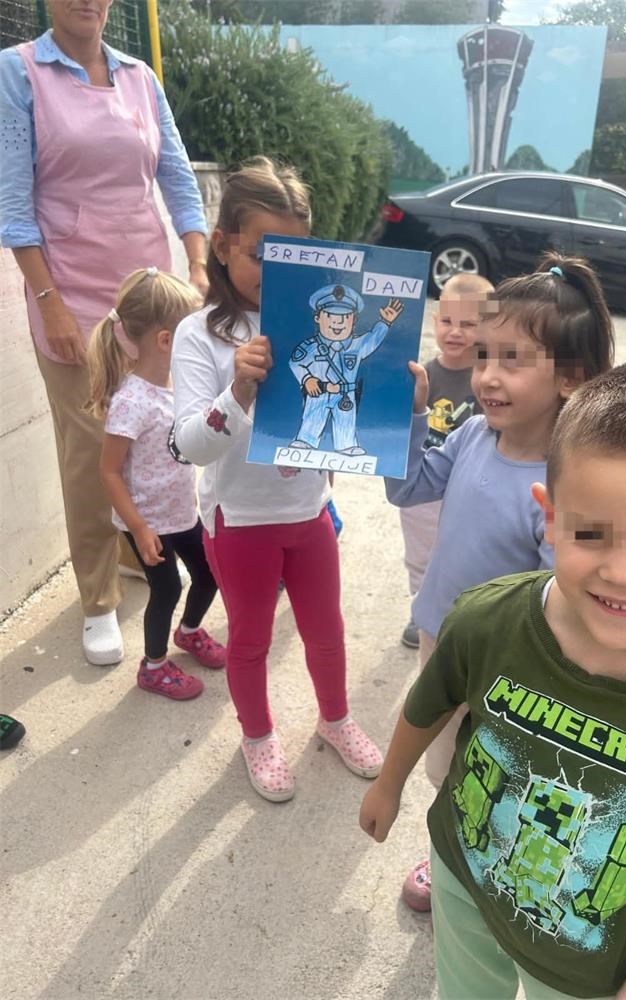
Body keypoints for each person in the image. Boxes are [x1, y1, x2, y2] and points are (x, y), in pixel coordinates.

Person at [361, 362, 626, 1000]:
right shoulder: (488, 619)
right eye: (591, 533)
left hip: (581, 961)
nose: (622, 573)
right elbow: (431, 702)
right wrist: (388, 783)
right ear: (549, 516)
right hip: (463, 881)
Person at [386, 254, 614, 911]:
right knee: (441, 764)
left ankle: (485, 866)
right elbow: (406, 486)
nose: (486, 375)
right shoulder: (471, 435)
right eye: (483, 355)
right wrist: (409, 418)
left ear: (571, 377)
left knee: (498, 775)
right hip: (442, 639)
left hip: (506, 671)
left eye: (511, 360)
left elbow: (553, 607)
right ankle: (447, 854)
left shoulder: (563, 486)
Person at [0, 0, 209, 666]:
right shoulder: (18, 71)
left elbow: (177, 176)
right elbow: (13, 203)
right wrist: (49, 302)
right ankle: (97, 600)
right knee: (92, 452)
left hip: (147, 300)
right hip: (69, 296)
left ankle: (132, 554)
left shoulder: (141, 78)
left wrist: (197, 261)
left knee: (151, 438)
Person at [171, 158, 383, 801]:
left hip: (307, 510)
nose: (279, 271)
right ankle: (257, 735)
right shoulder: (198, 335)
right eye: (264, 253)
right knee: (251, 640)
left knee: (327, 631)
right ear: (224, 243)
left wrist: (398, 396)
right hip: (240, 521)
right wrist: (238, 389)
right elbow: (189, 446)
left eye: (296, 256)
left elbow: (354, 405)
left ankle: (335, 719)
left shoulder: (317, 325)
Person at [86, 267, 224, 700]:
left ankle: (190, 631)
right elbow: (109, 471)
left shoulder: (179, 384)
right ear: (167, 340)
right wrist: (139, 528)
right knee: (167, 588)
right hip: (148, 521)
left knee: (209, 574)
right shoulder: (131, 402)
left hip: (182, 512)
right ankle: (154, 666)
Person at [398, 272, 494, 649]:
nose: (455, 332)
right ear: (435, 320)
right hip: (424, 489)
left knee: (465, 555)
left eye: (468, 324)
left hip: (469, 489)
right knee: (421, 557)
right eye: (447, 321)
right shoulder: (421, 374)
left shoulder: (489, 378)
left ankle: (463, 614)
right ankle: (420, 609)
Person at [288, 284, 404, 456]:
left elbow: (373, 338)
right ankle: (305, 440)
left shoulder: (357, 345)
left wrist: (385, 322)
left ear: (354, 320)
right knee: (313, 416)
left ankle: (347, 445)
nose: (337, 322)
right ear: (318, 318)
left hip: (345, 394)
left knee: (346, 421)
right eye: (330, 316)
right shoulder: (310, 347)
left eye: (345, 317)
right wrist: (306, 379)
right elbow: (295, 363)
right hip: (319, 392)